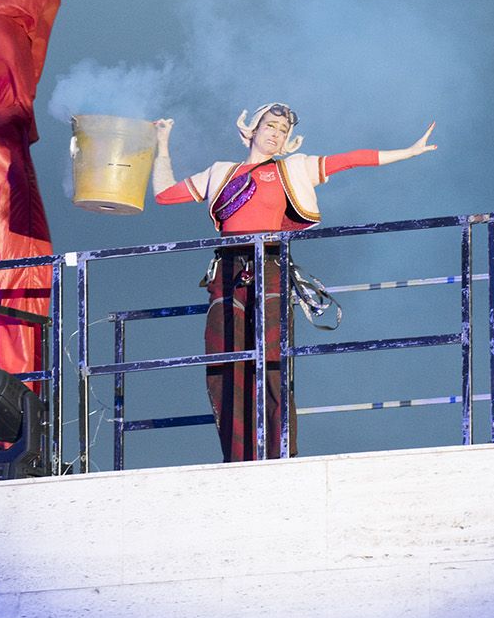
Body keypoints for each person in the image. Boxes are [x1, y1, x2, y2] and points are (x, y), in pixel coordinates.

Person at [151, 103, 437, 462]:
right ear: (251, 129)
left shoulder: (293, 168)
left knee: (272, 361)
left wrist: (408, 151)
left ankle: (280, 453)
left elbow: (349, 159)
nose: (276, 133)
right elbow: (164, 194)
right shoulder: (220, 172)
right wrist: (162, 143)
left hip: (270, 264)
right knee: (225, 361)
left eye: (282, 130)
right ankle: (237, 457)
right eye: (270, 126)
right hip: (226, 270)